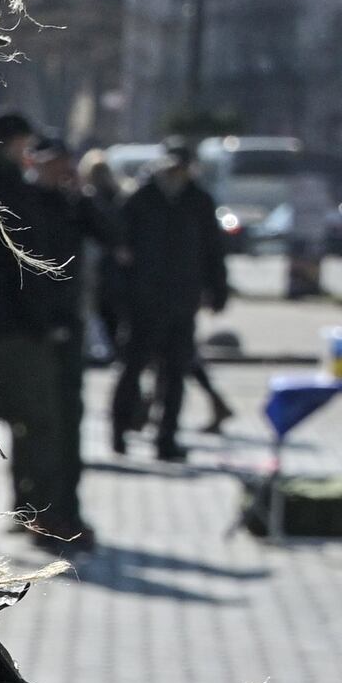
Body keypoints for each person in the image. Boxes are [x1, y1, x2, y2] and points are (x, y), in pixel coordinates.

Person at [0, 114, 94, 545]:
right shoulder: (16, 192)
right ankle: (39, 515)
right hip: (18, 332)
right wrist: (45, 322)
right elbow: (31, 266)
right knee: (40, 423)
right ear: (14, 144)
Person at [107, 145, 234, 459]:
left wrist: (218, 289)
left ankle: (166, 438)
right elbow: (118, 249)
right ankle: (120, 430)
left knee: (175, 372)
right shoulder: (140, 198)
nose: (177, 174)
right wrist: (120, 296)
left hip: (182, 299)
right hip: (143, 301)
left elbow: (212, 251)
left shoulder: (198, 200)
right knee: (132, 368)